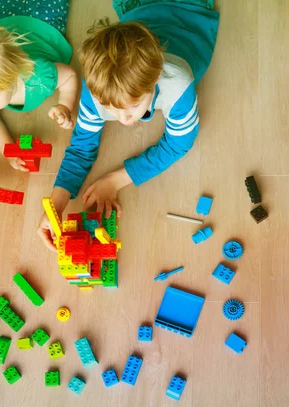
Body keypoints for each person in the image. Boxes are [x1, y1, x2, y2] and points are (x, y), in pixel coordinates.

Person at [37, 0, 219, 250]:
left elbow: (178, 144)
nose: (124, 119)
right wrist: (55, 206)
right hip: (140, 9)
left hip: (188, 11)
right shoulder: (96, 90)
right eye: (111, 107)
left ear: (155, 79)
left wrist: (116, 180)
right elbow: (81, 148)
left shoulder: (177, 82)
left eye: (133, 105)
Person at [0, 0, 77, 172]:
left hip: (44, 22)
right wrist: (9, 151)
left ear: (10, 78)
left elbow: (69, 76)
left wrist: (65, 105)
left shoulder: (40, 74)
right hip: (8, 21)